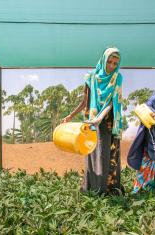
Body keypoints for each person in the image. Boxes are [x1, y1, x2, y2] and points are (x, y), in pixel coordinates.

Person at [62, 47, 124, 195]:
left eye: (115, 63)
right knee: (92, 152)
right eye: (109, 62)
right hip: (91, 121)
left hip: (108, 121)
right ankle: (93, 188)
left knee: (108, 155)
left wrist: (100, 118)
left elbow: (112, 102)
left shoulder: (117, 77)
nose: (112, 66)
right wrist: (71, 115)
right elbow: (85, 102)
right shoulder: (91, 77)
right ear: (103, 60)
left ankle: (108, 189)